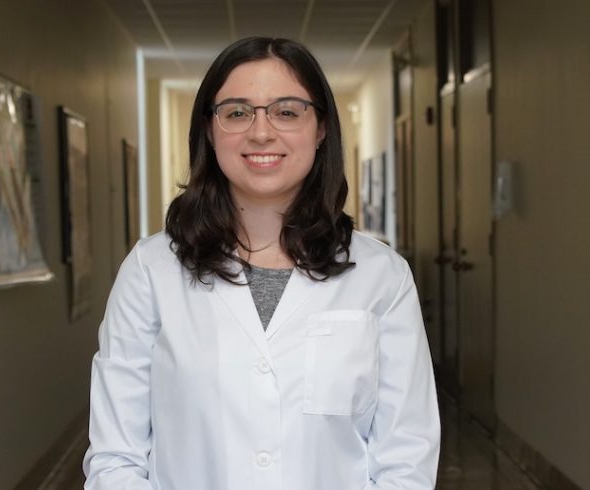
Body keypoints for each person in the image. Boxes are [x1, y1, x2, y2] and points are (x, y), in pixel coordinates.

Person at [83, 36, 440, 489]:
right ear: (210, 131)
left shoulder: (382, 276)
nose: (261, 132)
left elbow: (406, 456)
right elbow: (116, 456)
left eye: (287, 111)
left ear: (322, 128)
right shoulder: (151, 270)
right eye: (237, 112)